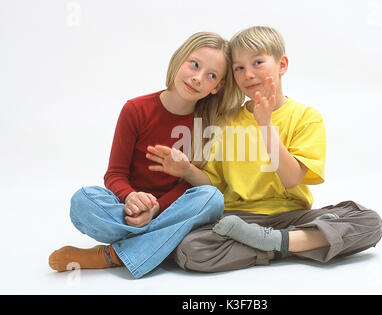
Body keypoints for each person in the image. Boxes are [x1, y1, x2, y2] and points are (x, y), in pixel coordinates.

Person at [146, 26, 382, 273]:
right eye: (239, 68)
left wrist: (265, 124)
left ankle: (276, 243)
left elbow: (291, 179)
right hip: (238, 218)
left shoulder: (306, 117)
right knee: (190, 250)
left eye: (258, 62)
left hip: (292, 216)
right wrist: (187, 170)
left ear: (282, 65)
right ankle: (293, 245)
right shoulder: (227, 120)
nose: (248, 74)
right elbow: (213, 185)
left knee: (369, 222)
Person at [48, 32, 243, 279]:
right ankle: (159, 243)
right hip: (127, 212)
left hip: (171, 211)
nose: (197, 77)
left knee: (212, 198)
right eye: (194, 64)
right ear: (179, 59)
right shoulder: (136, 109)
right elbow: (115, 174)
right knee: (83, 199)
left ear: (217, 87)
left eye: (211, 76)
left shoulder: (206, 124)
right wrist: (131, 198)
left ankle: (111, 256)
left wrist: (157, 207)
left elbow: (191, 187)